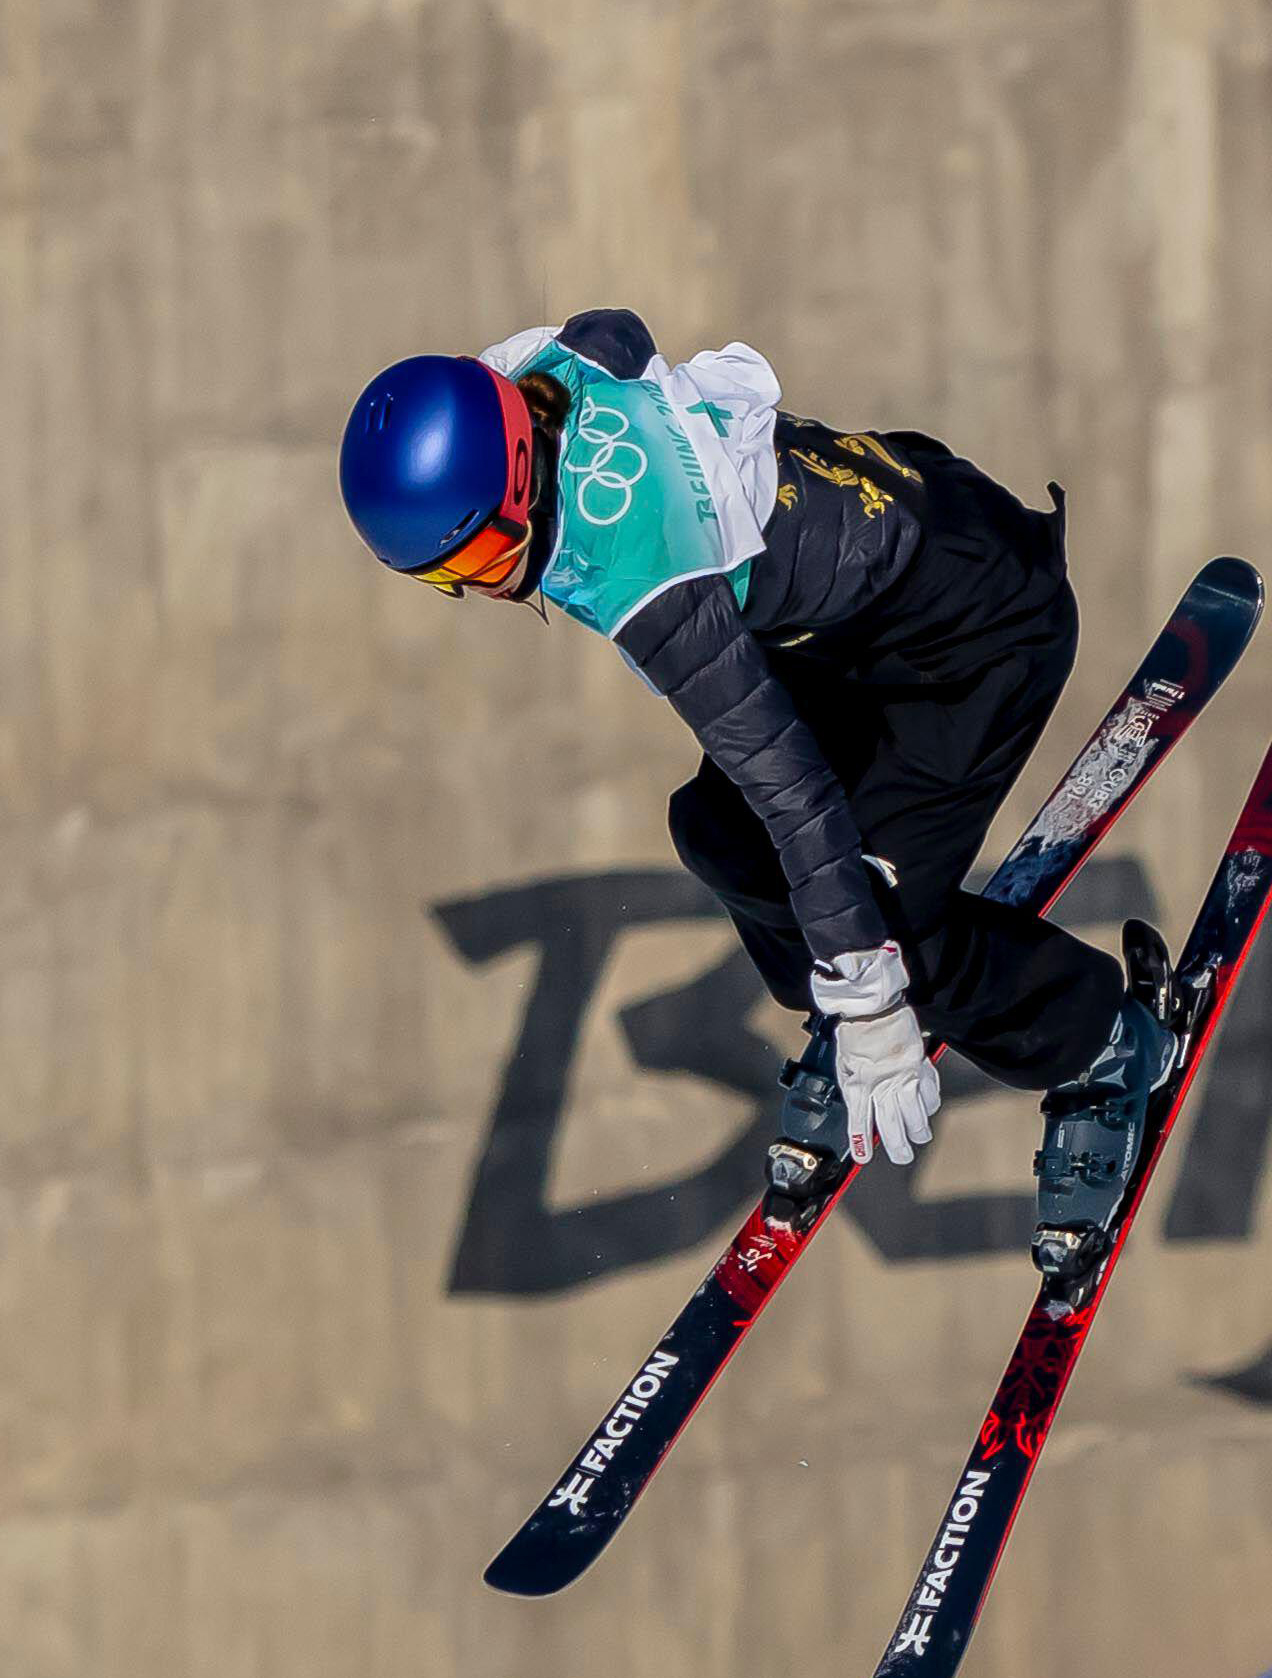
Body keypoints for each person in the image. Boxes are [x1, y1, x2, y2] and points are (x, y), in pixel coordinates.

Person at [339, 309, 1175, 1281]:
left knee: (877, 920)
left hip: (976, 639)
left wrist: (867, 998)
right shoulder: (536, 377)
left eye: (480, 558)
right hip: (882, 582)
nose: (486, 588)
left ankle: (1105, 1046)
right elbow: (612, 332)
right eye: (447, 578)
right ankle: (849, 989)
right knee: (713, 832)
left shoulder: (642, 569)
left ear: (517, 475)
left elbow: (793, 790)